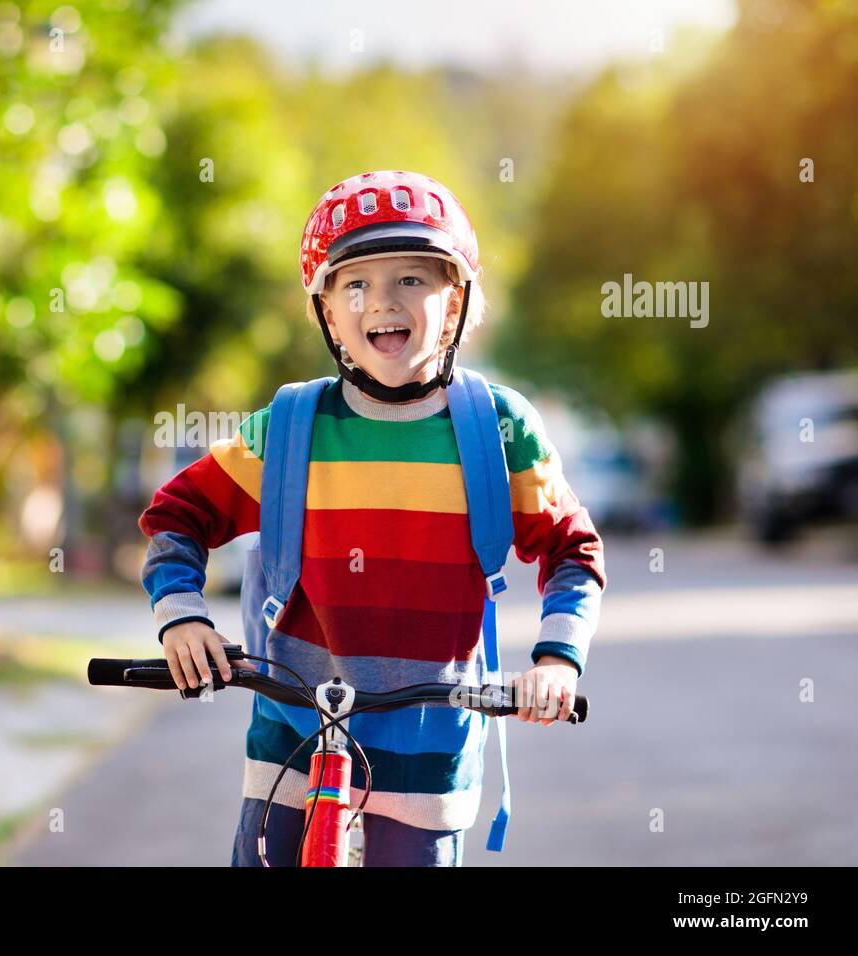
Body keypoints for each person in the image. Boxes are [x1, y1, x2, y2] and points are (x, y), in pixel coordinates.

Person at [137, 170, 606, 866]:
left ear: (457, 305)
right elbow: (180, 513)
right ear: (326, 312)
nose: (381, 302)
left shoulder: (498, 429)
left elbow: (573, 551)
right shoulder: (292, 426)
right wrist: (182, 614)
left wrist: (556, 660)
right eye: (354, 283)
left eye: (412, 279)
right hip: (293, 743)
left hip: (429, 750)